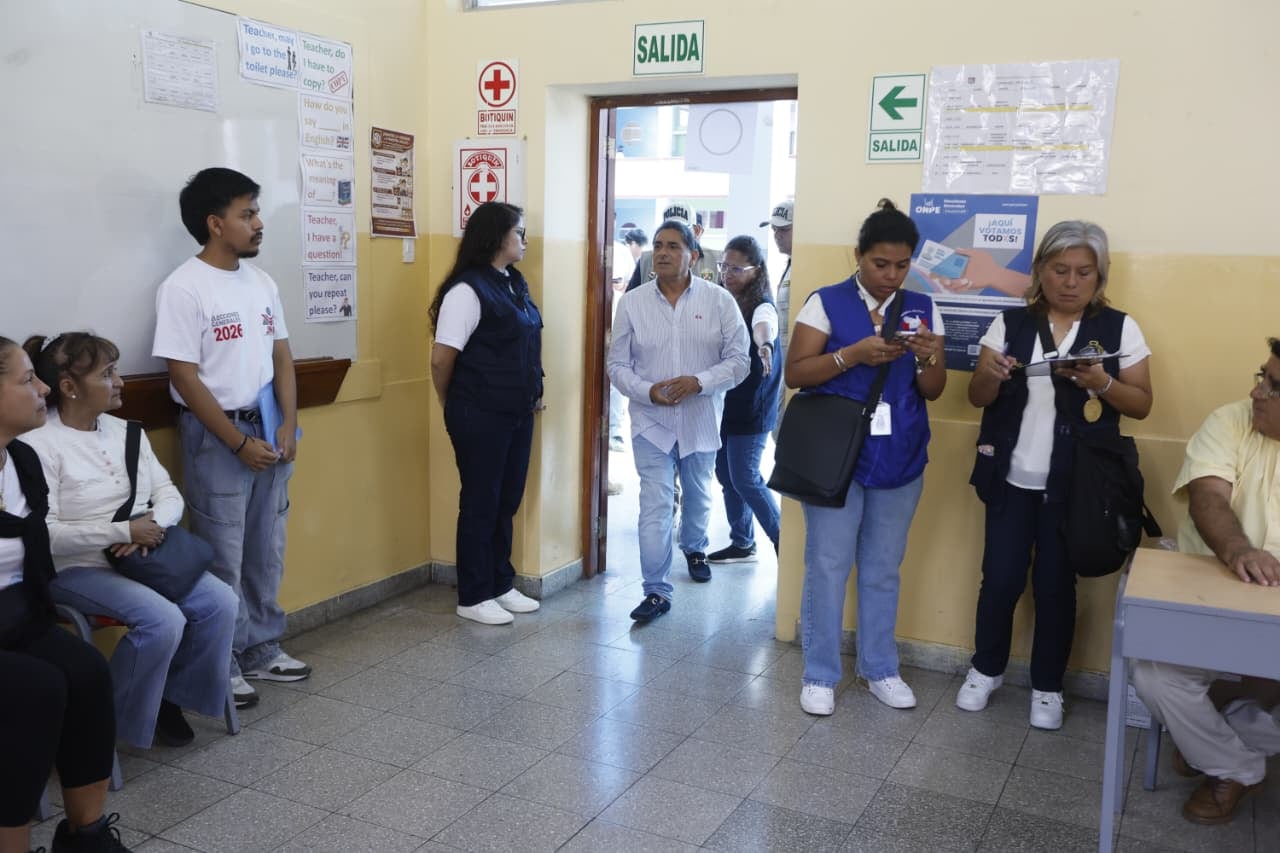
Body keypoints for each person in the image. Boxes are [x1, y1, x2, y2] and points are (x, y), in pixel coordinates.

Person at [958, 220, 1153, 730]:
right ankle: (986, 669)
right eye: (1060, 269)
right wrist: (989, 376)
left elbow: (1141, 403)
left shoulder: (1119, 329)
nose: (1071, 282)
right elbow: (977, 396)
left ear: (1099, 276)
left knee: (1055, 586)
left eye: (1084, 272)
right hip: (1011, 478)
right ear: (1040, 270)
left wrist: (1102, 382)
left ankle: (1048, 686)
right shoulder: (1010, 324)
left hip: (1076, 486)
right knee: (1000, 579)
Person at [22, 333, 237, 750]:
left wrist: (152, 525)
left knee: (221, 602)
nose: (119, 381)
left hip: (143, 555)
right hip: (77, 568)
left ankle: (166, 698)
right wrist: (123, 532)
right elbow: (44, 533)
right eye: (107, 374)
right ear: (69, 387)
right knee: (163, 620)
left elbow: (168, 493)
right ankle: (102, 724)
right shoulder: (38, 444)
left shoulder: (126, 432)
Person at [152, 167, 310, 711]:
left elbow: (282, 356)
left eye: (256, 212)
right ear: (215, 223)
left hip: (269, 428)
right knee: (223, 553)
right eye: (247, 214)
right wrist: (237, 443)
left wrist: (287, 422)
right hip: (217, 435)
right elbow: (183, 376)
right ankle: (222, 662)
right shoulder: (183, 288)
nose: (259, 223)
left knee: (267, 547)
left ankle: (262, 647)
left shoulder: (261, 282)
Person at [786, 199, 946, 715]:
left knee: (882, 568)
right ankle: (820, 674)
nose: (891, 275)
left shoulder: (922, 308)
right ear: (859, 255)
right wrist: (850, 355)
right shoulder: (826, 302)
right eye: (880, 263)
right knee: (828, 565)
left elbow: (934, 389)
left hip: (900, 455)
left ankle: (880, 668)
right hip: (836, 456)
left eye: (902, 265)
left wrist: (927, 356)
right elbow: (796, 373)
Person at [1131, 338, 1280, 825]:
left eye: (1273, 386)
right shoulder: (1230, 420)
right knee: (1154, 675)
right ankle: (1236, 766)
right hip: (1210, 584)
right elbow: (1208, 498)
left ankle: (1216, 737)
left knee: (1262, 684)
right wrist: (1239, 551)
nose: (1257, 392)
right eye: (1262, 377)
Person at [0, 337, 133, 853]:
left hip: (16, 615)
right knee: (36, 689)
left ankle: (86, 836)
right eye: (27, 379)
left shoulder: (22, 462)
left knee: (87, 672)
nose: (42, 389)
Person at [608, 219, 748, 620]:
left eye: (673, 246)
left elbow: (740, 362)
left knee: (698, 494)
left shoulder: (719, 301)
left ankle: (695, 548)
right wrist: (647, 390)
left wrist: (699, 382)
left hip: (700, 418)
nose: (663, 253)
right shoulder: (632, 303)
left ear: (694, 256)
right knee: (655, 504)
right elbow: (617, 365)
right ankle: (656, 590)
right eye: (658, 245)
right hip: (650, 423)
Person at [429, 202, 544, 626]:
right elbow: (441, 360)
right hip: (479, 413)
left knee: (506, 500)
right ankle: (474, 594)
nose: (525, 240)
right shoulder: (467, 291)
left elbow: (524, 344)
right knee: (481, 501)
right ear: (497, 237)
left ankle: (500, 583)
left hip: (517, 412)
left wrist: (533, 390)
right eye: (520, 232)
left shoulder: (513, 282)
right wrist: (452, 402)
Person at [707, 235, 781, 563]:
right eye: (724, 267)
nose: (727, 274)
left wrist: (764, 346)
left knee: (745, 478)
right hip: (724, 403)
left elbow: (764, 326)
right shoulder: (724, 300)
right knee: (726, 475)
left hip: (752, 406)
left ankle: (783, 542)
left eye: (736, 269)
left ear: (756, 270)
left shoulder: (761, 304)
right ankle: (742, 541)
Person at [626, 205, 721, 290]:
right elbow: (631, 298)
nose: (673, 235)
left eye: (681, 230)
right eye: (668, 229)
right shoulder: (646, 260)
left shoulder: (715, 260)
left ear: (696, 231)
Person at [761, 200, 794, 443]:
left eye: (784, 230)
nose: (777, 235)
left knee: (782, 431)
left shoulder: (805, 267)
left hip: (793, 363)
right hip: (781, 362)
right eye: (774, 230)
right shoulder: (789, 265)